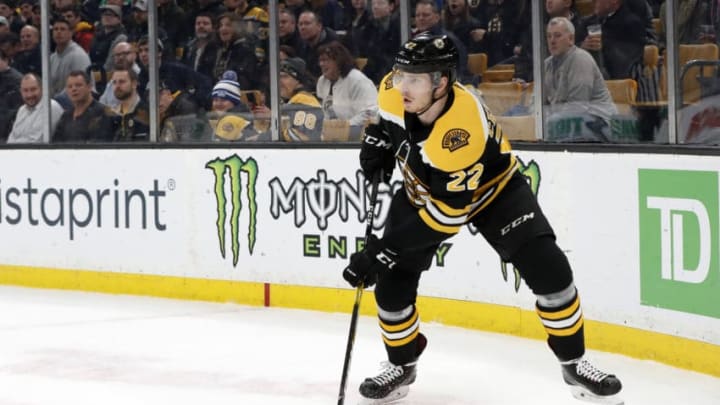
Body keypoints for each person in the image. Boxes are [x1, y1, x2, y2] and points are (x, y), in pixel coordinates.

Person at [341, 33, 624, 404]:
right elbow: (386, 122)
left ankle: (574, 364)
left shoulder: (460, 130)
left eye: (416, 78)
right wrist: (377, 142)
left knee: (551, 273)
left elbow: (445, 217)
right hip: (421, 190)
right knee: (392, 291)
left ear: (442, 82)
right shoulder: (393, 89)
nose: (402, 85)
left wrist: (384, 250)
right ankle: (402, 365)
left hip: (495, 193)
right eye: (401, 74)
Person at [544, 17, 617, 141]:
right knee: (516, 112)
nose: (552, 41)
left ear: (571, 39)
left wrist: (547, 119)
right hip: (566, 118)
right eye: (549, 36)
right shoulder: (547, 64)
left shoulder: (580, 59)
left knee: (553, 123)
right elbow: (536, 100)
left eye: (557, 36)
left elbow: (578, 107)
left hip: (600, 121)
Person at [316, 41, 377, 139]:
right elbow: (323, 112)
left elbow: (371, 112)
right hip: (332, 137)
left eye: (326, 60)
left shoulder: (357, 80)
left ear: (339, 61)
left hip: (360, 137)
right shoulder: (322, 81)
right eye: (320, 60)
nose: (321, 64)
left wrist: (345, 127)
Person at [53, 70, 114, 143]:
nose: (74, 89)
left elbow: (98, 145)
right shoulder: (66, 116)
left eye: (78, 85)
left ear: (89, 87)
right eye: (70, 87)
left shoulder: (102, 112)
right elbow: (56, 144)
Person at [7, 73, 64, 143]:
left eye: (33, 89)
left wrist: (14, 144)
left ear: (42, 89)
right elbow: (10, 139)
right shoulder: (22, 110)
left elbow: (38, 143)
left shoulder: (50, 107)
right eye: (25, 90)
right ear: (21, 92)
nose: (29, 94)